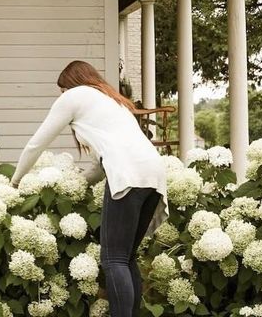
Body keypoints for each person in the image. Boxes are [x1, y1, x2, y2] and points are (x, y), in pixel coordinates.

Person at [10, 60, 168, 317]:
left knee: (113, 259)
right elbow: (98, 168)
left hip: (128, 175)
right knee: (126, 257)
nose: (61, 95)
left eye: (62, 89)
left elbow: (34, 145)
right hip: (153, 174)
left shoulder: (73, 96)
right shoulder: (111, 100)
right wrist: (74, 185)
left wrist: (15, 181)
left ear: (68, 85)